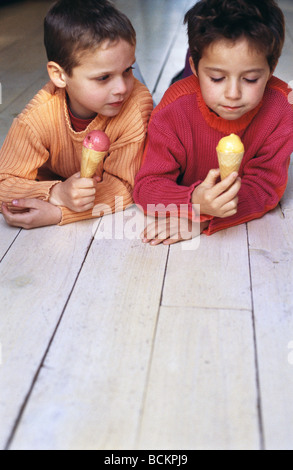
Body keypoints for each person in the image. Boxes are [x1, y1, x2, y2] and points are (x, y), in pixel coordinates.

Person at [133, 0, 293, 246]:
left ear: (271, 69)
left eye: (250, 79)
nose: (233, 93)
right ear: (195, 67)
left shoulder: (281, 109)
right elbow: (146, 188)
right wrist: (193, 202)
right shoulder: (172, 111)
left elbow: (265, 188)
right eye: (217, 78)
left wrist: (203, 218)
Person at [0, 0, 153, 229]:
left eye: (127, 70)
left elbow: (126, 185)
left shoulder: (135, 105)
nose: (122, 87)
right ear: (59, 75)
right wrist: (55, 192)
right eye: (103, 78)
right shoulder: (37, 118)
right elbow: (4, 181)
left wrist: (58, 212)